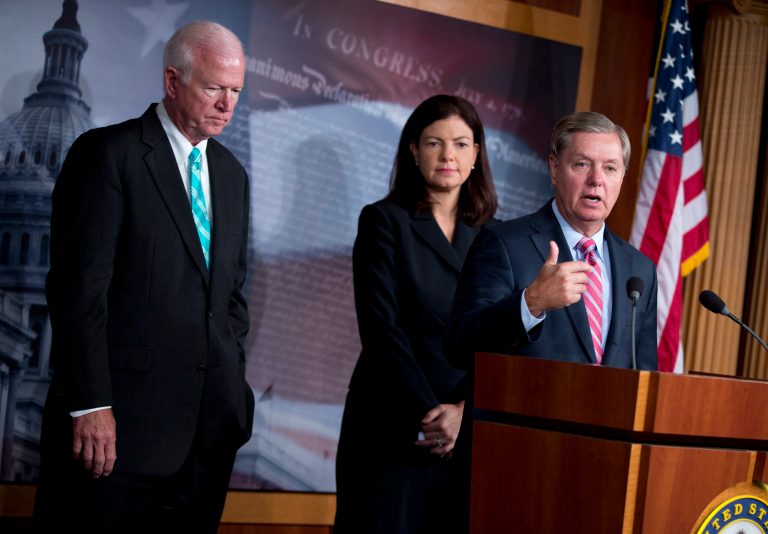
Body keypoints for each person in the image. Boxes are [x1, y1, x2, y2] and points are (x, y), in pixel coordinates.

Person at [34, 21, 254, 533]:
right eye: (215, 88)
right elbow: (77, 294)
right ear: (173, 81)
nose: (228, 104)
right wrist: (91, 404)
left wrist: (232, 385)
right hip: (114, 437)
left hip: (205, 442)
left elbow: (231, 297)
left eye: (237, 91)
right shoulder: (107, 155)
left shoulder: (231, 174)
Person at [334, 94, 497, 533]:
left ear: (477, 154)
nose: (449, 155)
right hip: (393, 424)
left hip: (465, 430)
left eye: (462, 144)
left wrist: (464, 410)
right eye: (434, 143)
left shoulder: (495, 237)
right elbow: (381, 329)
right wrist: (432, 415)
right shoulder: (384, 221)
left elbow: (503, 338)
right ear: (413, 150)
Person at [450, 111, 657, 370]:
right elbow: (459, 347)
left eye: (610, 168)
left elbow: (646, 373)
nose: (597, 180)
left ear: (622, 178)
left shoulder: (640, 270)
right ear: (554, 168)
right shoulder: (503, 244)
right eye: (582, 164)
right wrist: (531, 303)